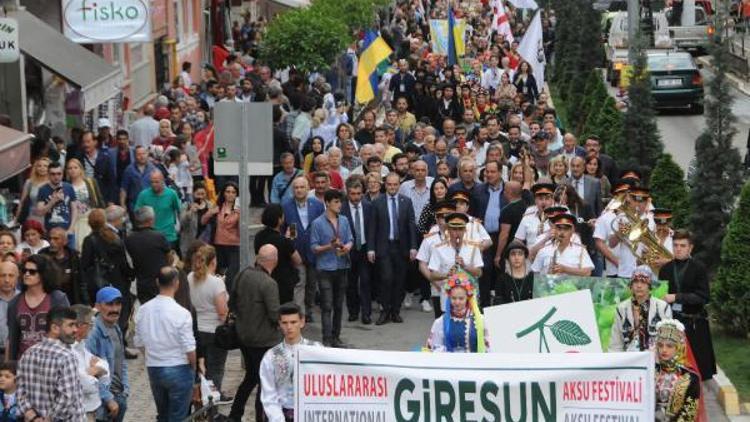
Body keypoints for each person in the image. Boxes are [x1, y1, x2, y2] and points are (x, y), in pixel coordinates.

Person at [134, 267, 196, 422]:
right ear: (176, 283)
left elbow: (139, 341)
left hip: (154, 367)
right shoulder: (182, 313)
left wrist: (150, 356)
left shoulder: (143, 310)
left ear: (157, 282)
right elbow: (189, 347)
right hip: (179, 366)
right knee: (178, 416)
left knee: (163, 414)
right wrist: (193, 366)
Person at [228, 245, 281, 422]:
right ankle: (260, 417)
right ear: (274, 259)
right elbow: (275, 315)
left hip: (243, 337)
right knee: (264, 383)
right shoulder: (269, 283)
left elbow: (232, 303)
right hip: (263, 341)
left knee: (250, 377)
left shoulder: (242, 275)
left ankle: (235, 415)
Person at [658, 229, 716, 380]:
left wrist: (677, 297)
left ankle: (695, 400)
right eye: (675, 245)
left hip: (694, 323)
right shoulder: (665, 269)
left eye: (683, 245)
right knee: (673, 367)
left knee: (696, 370)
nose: (678, 248)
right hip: (672, 322)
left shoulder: (699, 268)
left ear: (690, 248)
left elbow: (703, 297)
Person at [16, 306, 84, 421]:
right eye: (71, 325)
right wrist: (49, 419)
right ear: (55, 328)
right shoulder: (67, 357)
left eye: (76, 325)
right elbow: (67, 398)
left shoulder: (28, 353)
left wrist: (33, 417)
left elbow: (19, 390)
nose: (75, 330)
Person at [368, 173, 418, 325]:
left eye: (395, 184)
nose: (392, 187)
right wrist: (370, 248)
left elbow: (411, 225)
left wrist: (413, 247)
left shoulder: (406, 202)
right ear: (385, 185)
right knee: (386, 278)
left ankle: (395, 311)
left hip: (401, 247)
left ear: (399, 185)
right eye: (389, 184)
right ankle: (385, 310)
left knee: (399, 280)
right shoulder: (377, 202)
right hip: (384, 247)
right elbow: (372, 227)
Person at [259, 303, 322, 422]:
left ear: (302, 322)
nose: (289, 327)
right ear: (279, 324)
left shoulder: (317, 350)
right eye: (285, 323)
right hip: (281, 413)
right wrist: (278, 419)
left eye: (293, 322)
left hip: (311, 413)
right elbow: (268, 394)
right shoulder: (271, 356)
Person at [6, 255, 70, 361]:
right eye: (24, 270)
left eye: (32, 271)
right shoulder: (14, 302)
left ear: (43, 274)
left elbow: (67, 331)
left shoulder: (58, 299)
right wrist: (9, 367)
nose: (26, 274)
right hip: (24, 364)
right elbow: (12, 338)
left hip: (52, 361)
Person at [187, 245, 230, 401]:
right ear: (213, 261)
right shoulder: (216, 283)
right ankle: (212, 401)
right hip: (214, 331)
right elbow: (222, 311)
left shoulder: (190, 277)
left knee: (199, 369)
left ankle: (199, 398)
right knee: (216, 369)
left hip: (196, 329)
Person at [310, 190, 353, 347]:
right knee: (327, 305)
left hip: (342, 266)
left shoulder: (344, 220)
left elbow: (350, 239)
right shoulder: (317, 223)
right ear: (327, 203)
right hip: (325, 269)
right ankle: (327, 338)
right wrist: (330, 246)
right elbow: (314, 247)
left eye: (340, 202)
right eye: (335, 201)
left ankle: (336, 336)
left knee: (339, 305)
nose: (339, 205)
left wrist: (347, 247)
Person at [281, 177, 324, 322]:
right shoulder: (286, 206)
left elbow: (322, 227)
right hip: (295, 251)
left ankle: (309, 310)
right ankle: (300, 313)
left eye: (301, 187)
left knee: (312, 284)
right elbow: (282, 229)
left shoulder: (317, 205)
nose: (299, 190)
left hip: (313, 251)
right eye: (296, 187)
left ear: (307, 188)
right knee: (299, 283)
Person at [87, 287, 129, 422]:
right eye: (109, 304)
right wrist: (108, 399)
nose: (115, 309)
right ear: (98, 306)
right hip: (103, 403)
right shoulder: (92, 333)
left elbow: (121, 361)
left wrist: (125, 390)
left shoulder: (116, 327)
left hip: (118, 396)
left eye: (118, 304)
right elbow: (89, 374)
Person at [609, 265, 672, 352]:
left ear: (649, 286)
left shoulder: (663, 307)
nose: (639, 286)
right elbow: (616, 343)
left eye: (643, 282)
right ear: (631, 285)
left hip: (655, 358)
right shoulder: (621, 308)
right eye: (635, 282)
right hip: (629, 359)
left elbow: (668, 340)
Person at [426, 270, 489, 353]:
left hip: (473, 364)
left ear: (468, 298)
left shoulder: (480, 320)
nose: (457, 302)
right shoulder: (440, 322)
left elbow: (489, 346)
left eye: (461, 298)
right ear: (449, 298)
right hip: (450, 364)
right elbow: (432, 347)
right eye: (454, 298)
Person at [254, 204, 302, 306]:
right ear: (279, 220)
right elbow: (298, 260)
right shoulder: (283, 241)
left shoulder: (258, 236)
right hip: (282, 281)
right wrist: (289, 240)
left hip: (262, 278)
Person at [654, 319, 701, 421]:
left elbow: (689, 414)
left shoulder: (690, 377)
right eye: (660, 345)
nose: (664, 350)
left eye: (669, 346)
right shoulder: (650, 371)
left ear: (679, 347)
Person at [341, 179, 374, 324]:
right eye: (352, 194)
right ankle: (353, 311)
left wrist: (372, 249)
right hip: (349, 251)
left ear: (363, 193)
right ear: (347, 193)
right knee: (351, 283)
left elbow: (372, 229)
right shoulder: (342, 209)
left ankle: (366, 313)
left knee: (366, 282)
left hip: (365, 249)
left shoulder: (368, 206)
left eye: (358, 194)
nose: (355, 197)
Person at [70, 305, 110, 422]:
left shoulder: (82, 346)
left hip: (90, 410)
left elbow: (104, 366)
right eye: (90, 324)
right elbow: (87, 386)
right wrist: (96, 374)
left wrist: (96, 370)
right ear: (79, 326)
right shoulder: (68, 351)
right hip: (78, 414)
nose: (92, 328)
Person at [124, 206, 170, 305]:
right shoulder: (159, 237)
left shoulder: (129, 239)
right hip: (160, 282)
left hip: (141, 283)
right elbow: (169, 257)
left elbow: (129, 262)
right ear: (150, 220)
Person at [201, 182, 241, 290]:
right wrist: (211, 212)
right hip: (218, 244)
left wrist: (240, 214)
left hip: (234, 245)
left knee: (232, 275)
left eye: (233, 192)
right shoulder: (218, 207)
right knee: (218, 273)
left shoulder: (239, 209)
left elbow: (243, 229)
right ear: (223, 193)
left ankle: (230, 297)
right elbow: (203, 221)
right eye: (228, 192)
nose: (230, 194)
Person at [134, 171, 182, 252]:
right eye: (152, 182)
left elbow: (179, 210)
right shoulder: (143, 195)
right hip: (150, 236)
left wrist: (180, 228)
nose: (154, 184)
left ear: (163, 181)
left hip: (168, 236)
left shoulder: (171, 194)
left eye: (156, 182)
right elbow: (137, 213)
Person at [39, 227, 84, 305]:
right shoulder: (42, 255)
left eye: (56, 239)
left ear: (65, 241)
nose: (52, 241)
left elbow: (81, 281)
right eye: (50, 238)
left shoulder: (73, 256)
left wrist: (85, 302)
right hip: (49, 300)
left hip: (71, 300)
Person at [36, 161, 79, 238]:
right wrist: (52, 201)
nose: (56, 177)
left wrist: (71, 228)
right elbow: (40, 212)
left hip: (67, 232)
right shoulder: (43, 189)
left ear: (62, 174)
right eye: (53, 174)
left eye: (59, 174)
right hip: (51, 233)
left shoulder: (69, 187)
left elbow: (74, 209)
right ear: (48, 175)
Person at [0, 262, 19, 360]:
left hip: (17, 355)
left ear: (17, 278)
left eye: (11, 276)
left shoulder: (24, 300)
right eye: (3, 275)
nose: (7, 280)